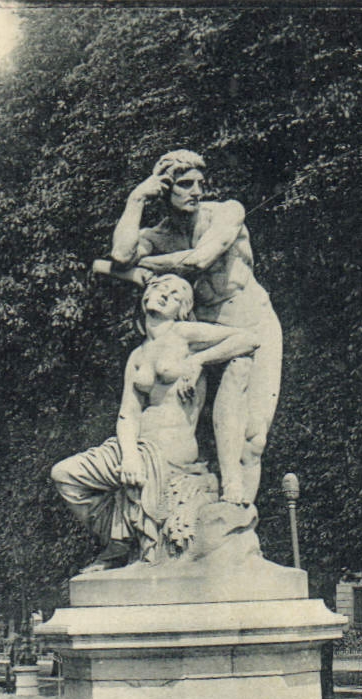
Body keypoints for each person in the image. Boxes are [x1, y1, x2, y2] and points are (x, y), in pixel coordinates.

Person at [109, 149, 283, 506]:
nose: (196, 191)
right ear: (164, 189)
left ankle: (239, 521)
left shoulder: (226, 212)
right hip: (202, 331)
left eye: (200, 183)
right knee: (182, 419)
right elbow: (120, 255)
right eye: (184, 184)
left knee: (254, 439)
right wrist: (136, 197)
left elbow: (201, 258)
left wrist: (148, 267)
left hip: (252, 321)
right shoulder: (158, 234)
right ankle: (203, 507)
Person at [51, 275, 253, 571]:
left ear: (182, 309)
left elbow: (248, 339)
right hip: (136, 446)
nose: (163, 294)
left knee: (134, 474)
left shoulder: (184, 333)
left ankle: (120, 546)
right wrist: (129, 454)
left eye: (174, 294)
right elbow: (128, 414)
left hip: (171, 448)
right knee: (64, 474)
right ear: (145, 296)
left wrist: (199, 361)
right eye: (158, 288)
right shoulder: (137, 355)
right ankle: (117, 539)